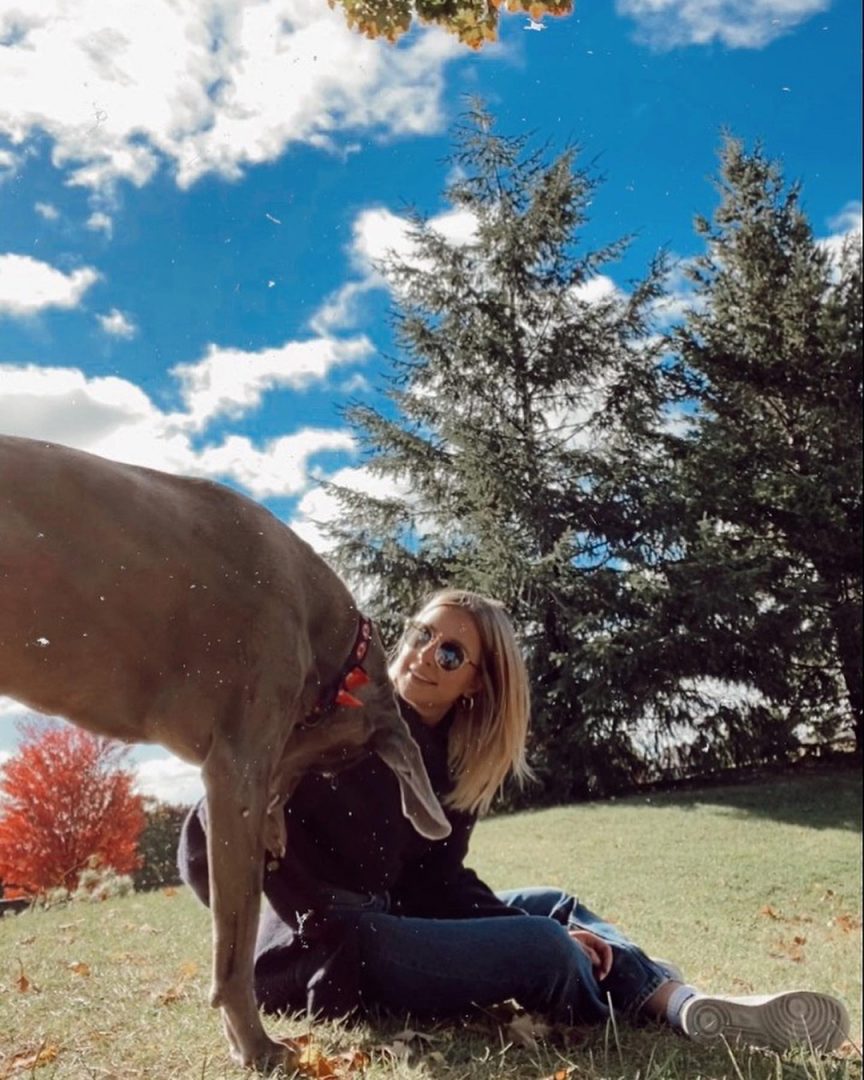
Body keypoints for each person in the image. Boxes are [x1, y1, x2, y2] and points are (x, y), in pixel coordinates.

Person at [178, 589, 849, 1054]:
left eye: (449, 652)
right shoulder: (337, 718)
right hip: (326, 955)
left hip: (389, 919)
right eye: (421, 634)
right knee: (545, 947)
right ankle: (620, 1010)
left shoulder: (449, 762)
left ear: (475, 682)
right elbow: (202, 844)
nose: (424, 653)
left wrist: (518, 922)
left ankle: (681, 1005)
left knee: (553, 908)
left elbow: (440, 882)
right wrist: (300, 908)